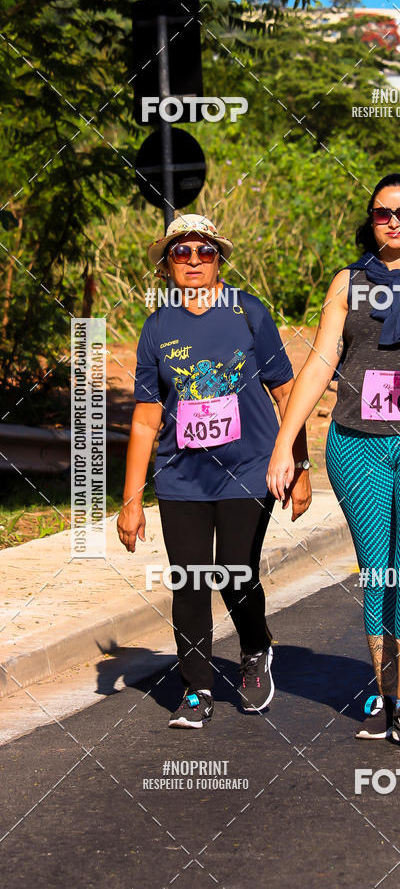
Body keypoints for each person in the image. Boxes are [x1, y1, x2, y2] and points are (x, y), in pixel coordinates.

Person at [266, 173, 400, 748]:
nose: (395, 221)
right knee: (378, 573)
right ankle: (386, 699)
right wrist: (285, 445)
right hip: (357, 442)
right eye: (384, 213)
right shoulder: (348, 282)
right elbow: (319, 363)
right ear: (371, 218)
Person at [117, 213, 311, 729]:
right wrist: (132, 498)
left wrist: (301, 464)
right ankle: (196, 687)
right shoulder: (157, 326)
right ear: (166, 266)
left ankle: (254, 648)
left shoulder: (249, 313)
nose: (194, 261)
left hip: (249, 466)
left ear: (219, 259)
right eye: (182, 253)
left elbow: (287, 392)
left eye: (205, 252)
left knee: (231, 566)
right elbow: (145, 417)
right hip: (182, 474)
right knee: (190, 578)